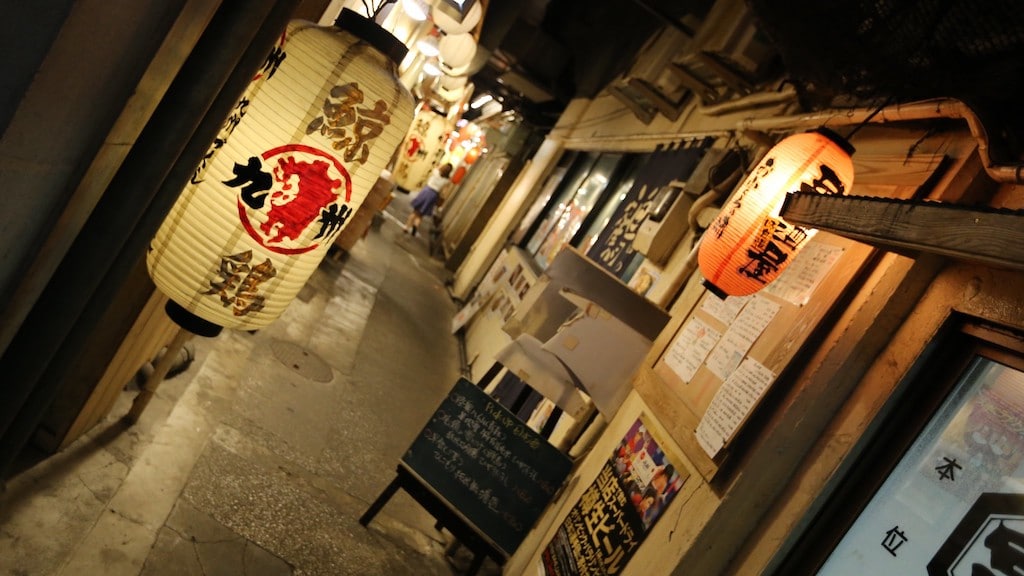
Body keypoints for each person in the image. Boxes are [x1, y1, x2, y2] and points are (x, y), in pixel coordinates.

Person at [405, 163, 452, 236]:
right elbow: (443, 192)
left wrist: (441, 166)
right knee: (420, 214)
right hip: (434, 195)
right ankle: (415, 225)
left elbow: (437, 166)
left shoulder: (436, 172)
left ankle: (406, 227)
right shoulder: (447, 181)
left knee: (415, 211)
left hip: (426, 190)